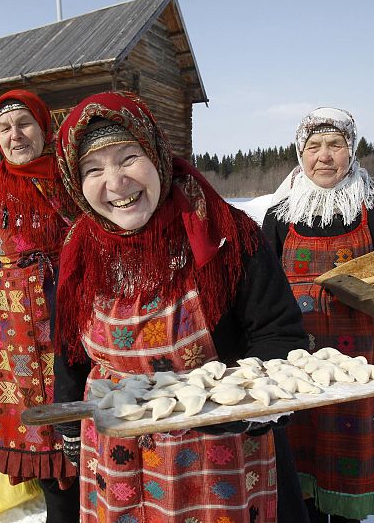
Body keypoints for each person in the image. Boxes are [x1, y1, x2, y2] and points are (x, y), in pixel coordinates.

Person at [52, 91, 310, 523]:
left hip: (217, 451)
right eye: (93, 169)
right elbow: (70, 348)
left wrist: (242, 408)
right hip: (116, 451)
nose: (115, 183)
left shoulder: (226, 235)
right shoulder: (78, 249)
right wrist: (67, 425)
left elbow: (278, 332)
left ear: (157, 156)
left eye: (129, 158)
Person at [262, 107, 374, 522]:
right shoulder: (279, 214)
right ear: (299, 152)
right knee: (298, 460)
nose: (324, 156)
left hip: (366, 361)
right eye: (313, 146)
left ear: (352, 150)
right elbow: (261, 293)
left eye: (335, 144)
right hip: (297, 362)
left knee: (352, 459)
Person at [0, 89, 80, 522]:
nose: (15, 135)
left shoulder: (72, 178)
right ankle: (61, 509)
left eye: (24, 123)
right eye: (5, 128)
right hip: (17, 333)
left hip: (74, 314)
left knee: (81, 411)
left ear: (43, 128)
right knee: (37, 425)